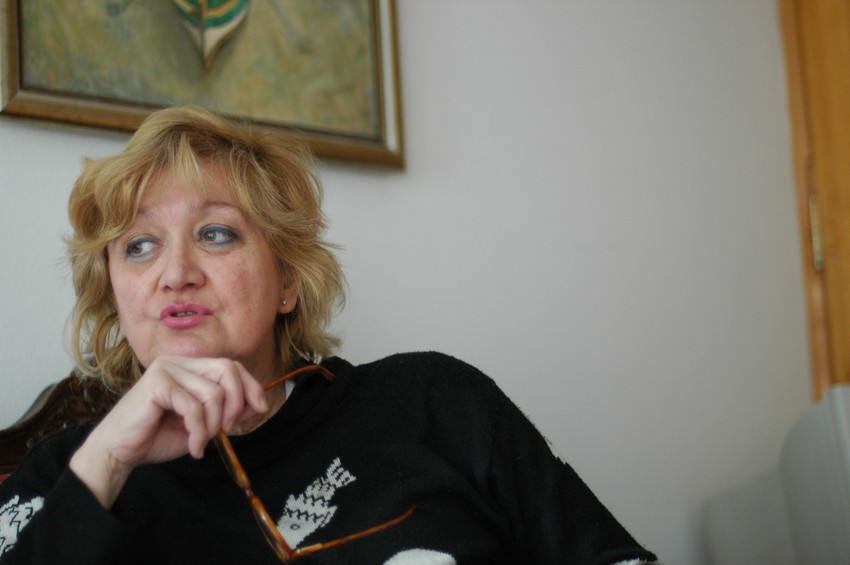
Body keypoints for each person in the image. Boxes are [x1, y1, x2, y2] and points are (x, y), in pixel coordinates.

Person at [0, 106, 657, 564]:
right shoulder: (67, 473)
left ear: (287, 279)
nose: (175, 273)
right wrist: (107, 462)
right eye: (138, 246)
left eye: (216, 233)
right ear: (116, 298)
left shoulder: (434, 403)